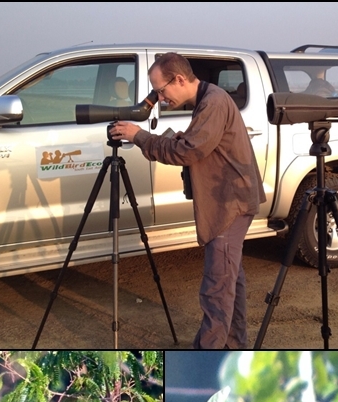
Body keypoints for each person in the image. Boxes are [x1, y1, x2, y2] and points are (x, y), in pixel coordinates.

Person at [110, 53, 264, 349]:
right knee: (230, 282)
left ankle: (206, 356)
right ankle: (234, 347)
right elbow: (201, 144)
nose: (160, 98)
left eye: (161, 90)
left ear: (179, 79)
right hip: (229, 200)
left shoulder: (214, 102)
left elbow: (188, 152)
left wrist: (139, 136)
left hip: (228, 204)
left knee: (216, 290)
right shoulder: (208, 99)